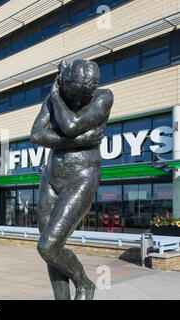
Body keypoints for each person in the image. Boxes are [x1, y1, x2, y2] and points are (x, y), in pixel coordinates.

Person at [30, 59, 114, 300]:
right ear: (63, 81)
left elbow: (70, 124)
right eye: (72, 94)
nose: (77, 101)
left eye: (82, 97)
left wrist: (56, 98)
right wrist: (80, 141)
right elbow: (36, 134)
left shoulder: (104, 97)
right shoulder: (54, 97)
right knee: (49, 251)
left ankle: (85, 284)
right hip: (50, 178)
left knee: (48, 245)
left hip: (82, 177)